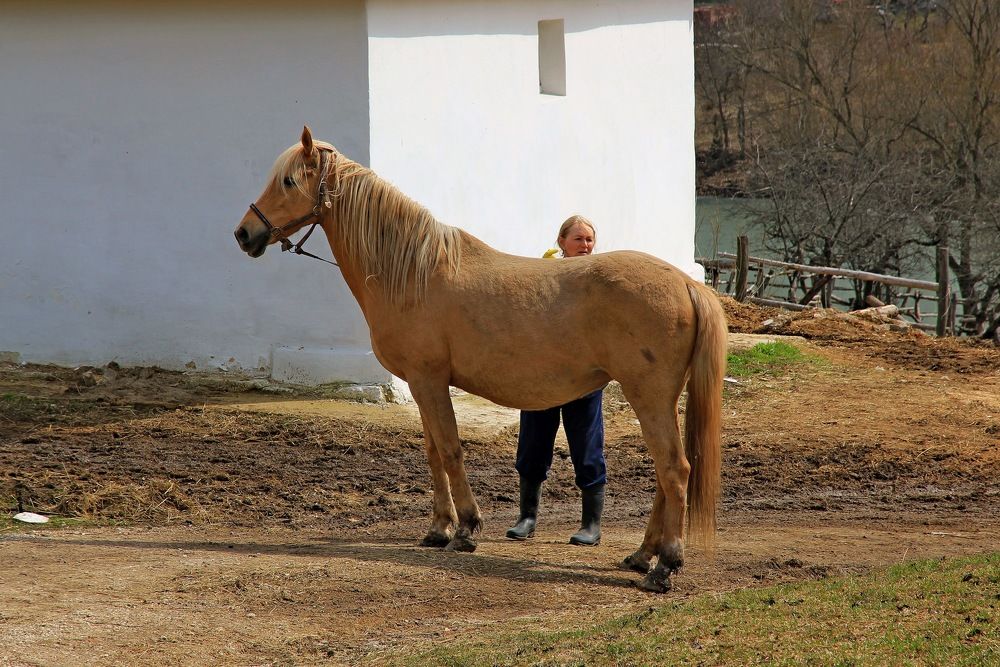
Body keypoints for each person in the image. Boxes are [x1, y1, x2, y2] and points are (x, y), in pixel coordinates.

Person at [506, 215, 607, 546]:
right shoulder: (541, 277)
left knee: (587, 449)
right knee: (533, 445)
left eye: (589, 239)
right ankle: (527, 518)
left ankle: (591, 525)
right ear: (561, 241)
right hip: (542, 377)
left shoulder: (601, 281)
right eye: (578, 239)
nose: (585, 245)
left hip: (584, 380)